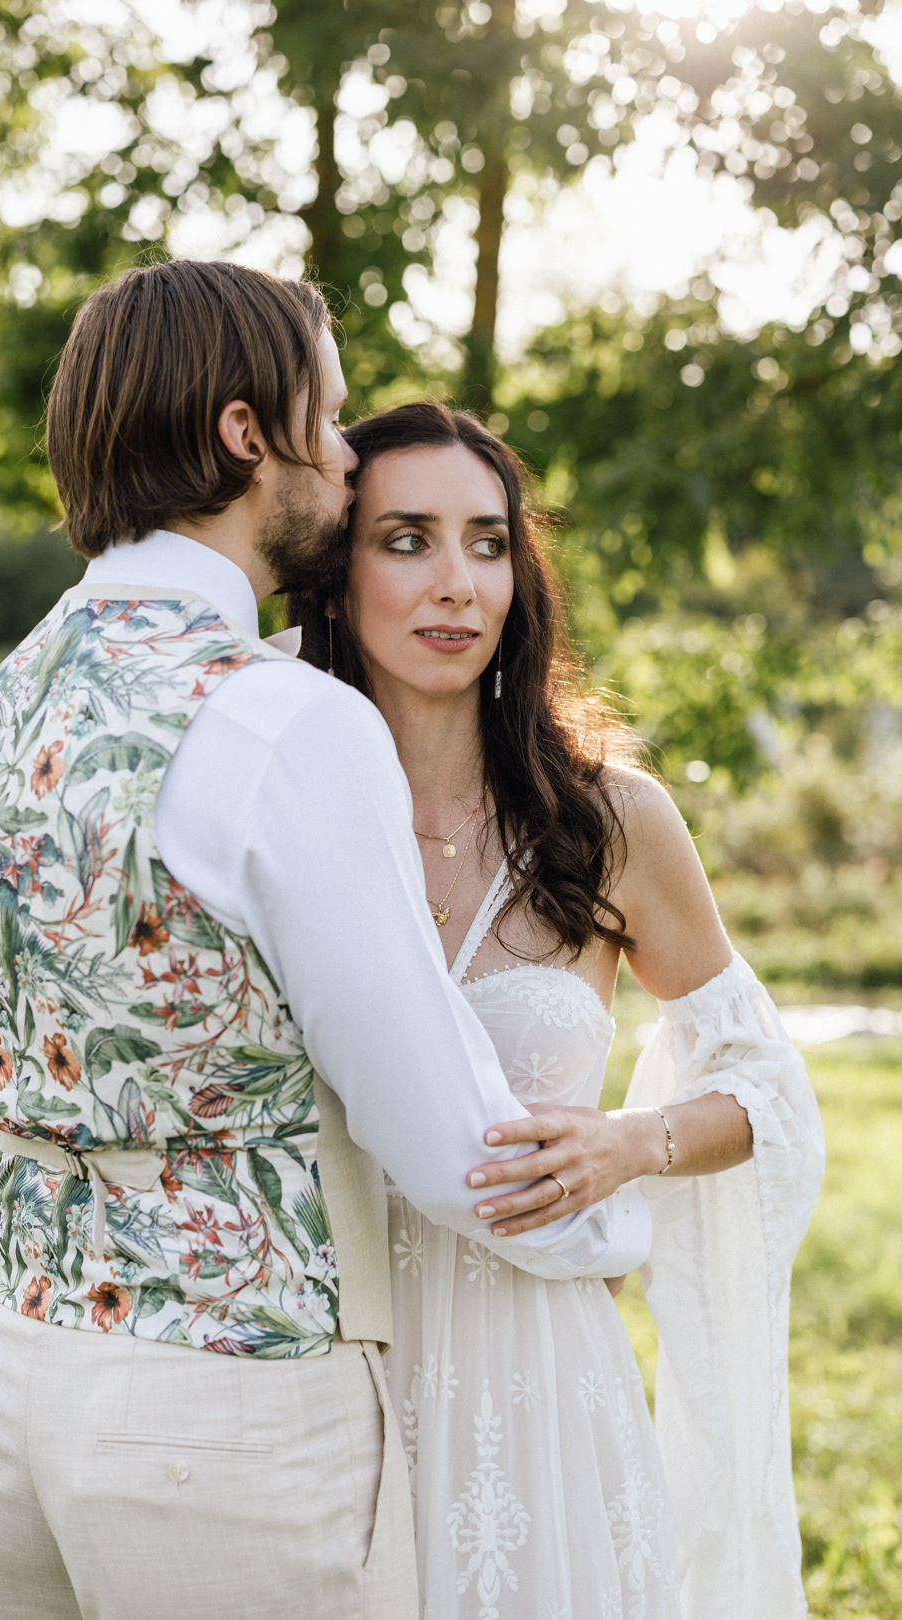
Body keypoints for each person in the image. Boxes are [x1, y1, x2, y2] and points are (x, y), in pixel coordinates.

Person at [0, 261, 654, 1620]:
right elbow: (458, 1154)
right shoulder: (282, 726)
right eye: (330, 415)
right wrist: (635, 1214)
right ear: (250, 436)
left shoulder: (0, 709)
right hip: (228, 1420)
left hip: (17, 1377)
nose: (343, 456)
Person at [283, 400, 826, 1619]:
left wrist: (630, 1144)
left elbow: (768, 1090)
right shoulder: (279, 810)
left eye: (488, 543)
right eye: (407, 539)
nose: (457, 583)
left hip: (540, 1383)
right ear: (336, 567)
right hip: (321, 1390)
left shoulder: (610, 821)